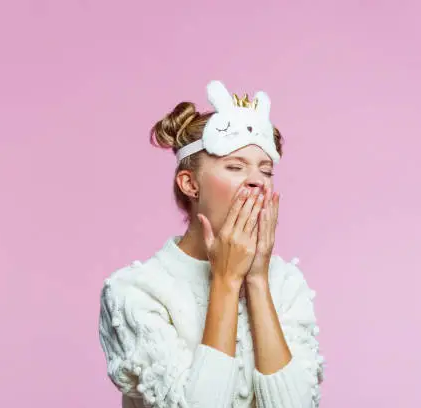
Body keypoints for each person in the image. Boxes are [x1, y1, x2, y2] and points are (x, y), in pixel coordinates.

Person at [98, 80, 324, 408]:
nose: (257, 181)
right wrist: (226, 280)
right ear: (190, 184)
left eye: (266, 170)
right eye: (234, 167)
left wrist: (257, 280)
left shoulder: (286, 283)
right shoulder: (135, 292)